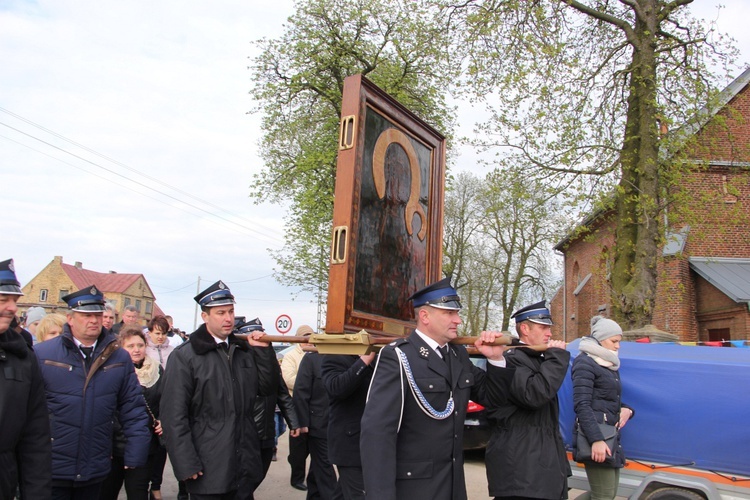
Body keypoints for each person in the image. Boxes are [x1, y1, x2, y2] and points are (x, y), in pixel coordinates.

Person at [360, 277, 513, 500]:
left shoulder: (458, 355)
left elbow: (495, 400)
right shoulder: (399, 356)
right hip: (414, 489)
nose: (458, 320)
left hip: (452, 486)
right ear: (425, 316)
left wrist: (496, 360)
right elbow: (377, 434)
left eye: (457, 313)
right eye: (449, 313)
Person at [159, 280, 278, 500]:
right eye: (220, 312)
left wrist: (263, 353)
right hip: (208, 469)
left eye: (231, 311)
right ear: (205, 316)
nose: (228, 318)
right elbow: (173, 417)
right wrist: (186, 464)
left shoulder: (242, 351)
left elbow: (266, 388)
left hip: (243, 467)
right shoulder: (186, 357)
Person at [35, 285, 151, 499]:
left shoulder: (119, 358)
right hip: (51, 467)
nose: (94, 320)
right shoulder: (43, 354)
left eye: (98, 315)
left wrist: (136, 451)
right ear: (70, 318)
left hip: (95, 466)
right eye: (87, 315)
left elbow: (132, 407)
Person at [483, 300, 571, 499]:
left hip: (539, 467)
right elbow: (535, 394)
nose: (549, 333)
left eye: (549, 328)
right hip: (522, 469)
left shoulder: (537, 357)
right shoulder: (511, 359)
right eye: (543, 327)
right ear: (525, 328)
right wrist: (556, 359)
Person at [0, 258, 52, 499]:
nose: (12, 308)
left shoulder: (22, 356)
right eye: (3, 300)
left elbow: (35, 435)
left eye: (15, 301)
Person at [572, 316, 635, 500]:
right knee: (604, 497)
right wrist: (596, 440)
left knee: (606, 495)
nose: (618, 346)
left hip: (611, 438)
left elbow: (607, 399)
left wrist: (627, 409)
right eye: (614, 341)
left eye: (619, 342)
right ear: (600, 339)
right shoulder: (585, 362)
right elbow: (581, 405)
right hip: (597, 439)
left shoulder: (608, 363)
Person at [100, 325, 165, 500]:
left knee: (138, 493)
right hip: (114, 445)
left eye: (140, 345)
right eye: (130, 346)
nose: (136, 350)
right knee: (107, 492)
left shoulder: (157, 370)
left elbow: (166, 400)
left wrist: (161, 419)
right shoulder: (111, 370)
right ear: (121, 348)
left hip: (145, 443)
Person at [241, 317, 302, 498]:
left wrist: (294, 422)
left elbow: (282, 393)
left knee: (258, 474)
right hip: (248, 432)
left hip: (267, 430)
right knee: (244, 482)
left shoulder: (271, 364)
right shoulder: (241, 364)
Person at [321, 350, 376, 500]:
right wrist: (363, 362)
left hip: (372, 442)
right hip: (350, 444)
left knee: (344, 493)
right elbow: (336, 388)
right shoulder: (335, 356)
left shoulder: (380, 358)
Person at [294, 349, 341, 499]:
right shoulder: (312, 359)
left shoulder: (345, 357)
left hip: (337, 424)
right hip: (317, 425)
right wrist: (301, 422)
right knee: (325, 468)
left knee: (318, 466)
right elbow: (300, 391)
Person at [282, 324, 315, 491]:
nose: (309, 339)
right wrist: (310, 383)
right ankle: (297, 478)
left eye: (312, 335)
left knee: (314, 444)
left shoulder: (317, 353)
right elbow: (288, 378)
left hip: (315, 406)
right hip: (297, 405)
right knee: (298, 447)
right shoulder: (291, 356)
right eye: (306, 336)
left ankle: (312, 479)